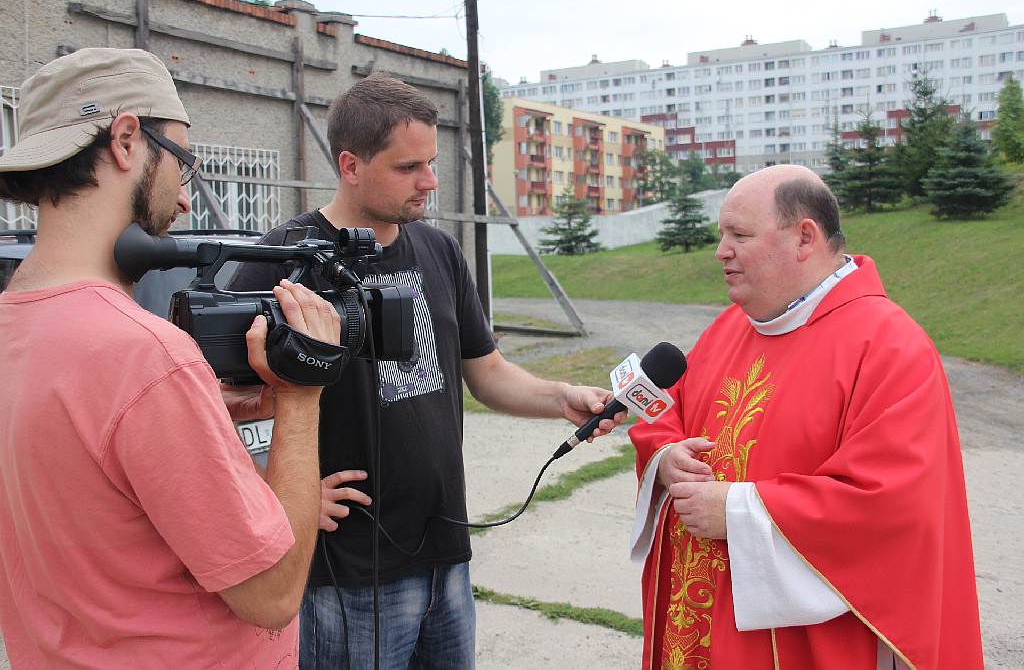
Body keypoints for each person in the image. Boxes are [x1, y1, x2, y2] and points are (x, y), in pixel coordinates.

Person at [227, 72, 624, 668]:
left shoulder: (439, 251)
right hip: (347, 572)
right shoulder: (283, 262)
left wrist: (559, 396)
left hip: (445, 552)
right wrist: (274, 491)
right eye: (409, 167)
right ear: (350, 164)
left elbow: (485, 371)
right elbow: (211, 402)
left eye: (432, 163)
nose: (431, 182)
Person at [0, 48, 341, 667]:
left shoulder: (15, 328)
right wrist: (301, 396)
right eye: (182, 164)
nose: (185, 200)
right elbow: (271, 596)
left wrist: (199, 418)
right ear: (128, 140)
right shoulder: (145, 355)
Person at [628, 165, 983, 669]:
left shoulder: (889, 348)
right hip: (699, 622)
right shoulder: (733, 326)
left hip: (800, 644)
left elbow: (890, 506)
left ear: (804, 237)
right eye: (721, 235)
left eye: (740, 235)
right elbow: (668, 407)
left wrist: (736, 510)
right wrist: (666, 456)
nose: (721, 250)